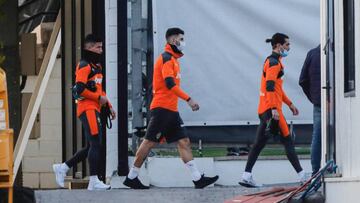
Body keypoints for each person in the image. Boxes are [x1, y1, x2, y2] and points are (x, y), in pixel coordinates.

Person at [123, 27, 219, 189]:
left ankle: (197, 179)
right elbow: (169, 84)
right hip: (162, 109)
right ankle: (131, 177)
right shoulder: (167, 58)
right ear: (173, 40)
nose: (183, 42)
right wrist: (188, 99)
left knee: (184, 141)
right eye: (181, 39)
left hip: (171, 110)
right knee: (148, 142)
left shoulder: (174, 59)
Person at [239, 33, 306, 187]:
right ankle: (302, 176)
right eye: (287, 44)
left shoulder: (274, 61)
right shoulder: (274, 63)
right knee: (288, 141)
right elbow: (269, 86)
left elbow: (276, 89)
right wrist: (275, 109)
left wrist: (289, 104)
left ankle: (246, 176)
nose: (289, 47)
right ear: (278, 45)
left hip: (266, 109)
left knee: (259, 144)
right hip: (272, 111)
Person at [53, 34, 116, 190]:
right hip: (87, 108)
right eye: (98, 47)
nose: (101, 50)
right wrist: (98, 97)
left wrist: (109, 105)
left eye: (101, 47)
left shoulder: (97, 67)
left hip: (95, 108)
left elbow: (100, 90)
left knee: (92, 146)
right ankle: (93, 181)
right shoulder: (84, 65)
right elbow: (79, 89)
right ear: (89, 48)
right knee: (96, 144)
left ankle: (63, 167)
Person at [299, 45, 321, 176]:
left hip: (319, 102)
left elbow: (303, 80)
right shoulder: (338, 52)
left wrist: (313, 97)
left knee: (317, 137)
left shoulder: (312, 54)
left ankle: (315, 172)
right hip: (336, 102)